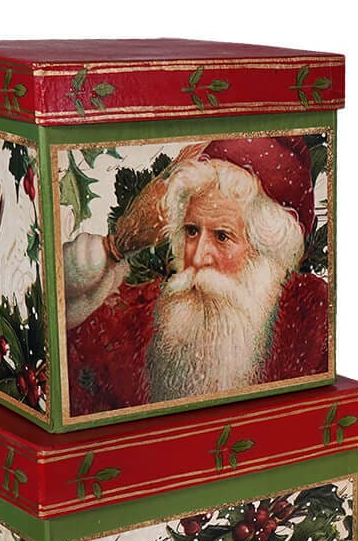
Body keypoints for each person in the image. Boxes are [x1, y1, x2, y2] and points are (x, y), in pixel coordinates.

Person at [61, 137, 329, 415]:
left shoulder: (313, 317)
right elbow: (69, 356)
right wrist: (108, 250)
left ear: (266, 250)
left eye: (222, 236)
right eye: (191, 231)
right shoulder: (142, 314)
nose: (198, 257)